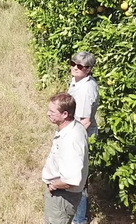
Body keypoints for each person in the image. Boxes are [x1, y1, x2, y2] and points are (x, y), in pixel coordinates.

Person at [42, 93, 89, 224]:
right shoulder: (74, 127)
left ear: (65, 114)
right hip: (63, 195)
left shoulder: (71, 139)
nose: (48, 114)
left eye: (52, 111)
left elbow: (71, 179)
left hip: (62, 196)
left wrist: (53, 185)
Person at [67, 51, 99, 224]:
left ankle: (79, 220)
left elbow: (85, 121)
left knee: (78, 181)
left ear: (89, 70)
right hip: (76, 131)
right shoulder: (78, 81)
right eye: (73, 64)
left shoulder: (86, 89)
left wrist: (71, 140)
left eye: (80, 66)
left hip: (81, 135)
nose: (75, 68)